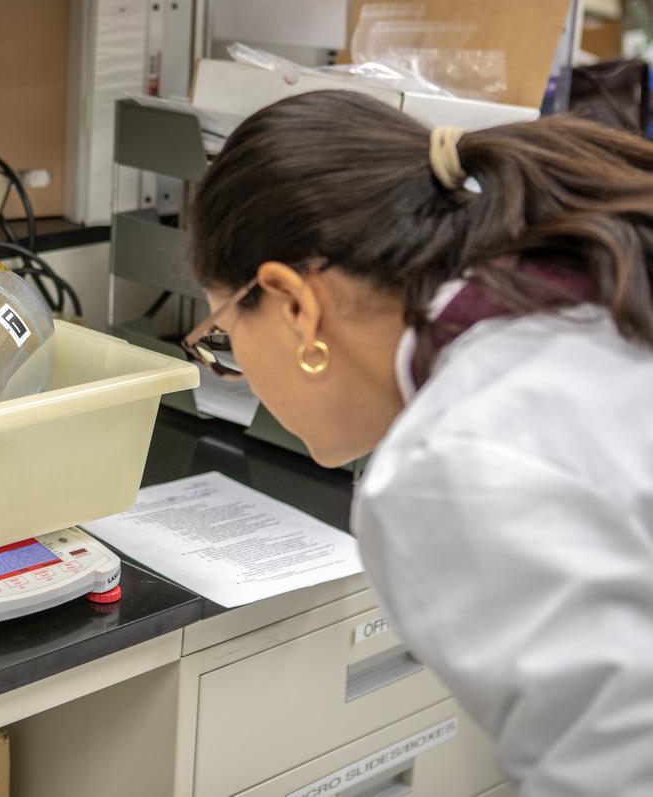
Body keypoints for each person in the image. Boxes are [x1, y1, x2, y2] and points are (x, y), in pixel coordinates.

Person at [184, 90, 653, 795]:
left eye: (223, 334)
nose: (236, 368)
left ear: (294, 304)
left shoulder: (450, 465)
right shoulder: (582, 288)